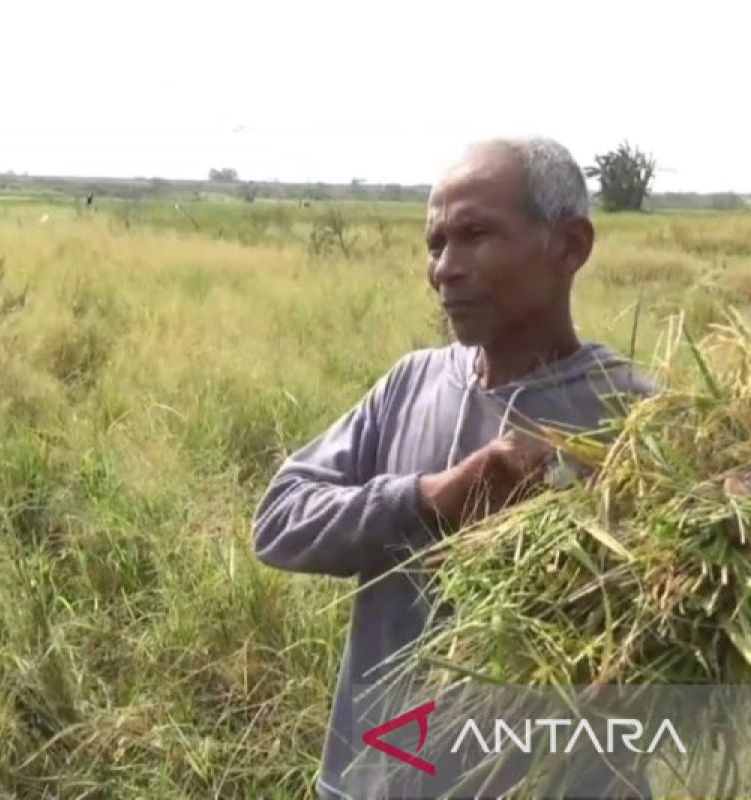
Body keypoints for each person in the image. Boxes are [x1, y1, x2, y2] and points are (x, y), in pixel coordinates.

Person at [251, 138, 654, 799]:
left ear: (570, 246)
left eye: (474, 235)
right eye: (435, 244)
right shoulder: (410, 385)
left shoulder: (638, 420)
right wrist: (430, 499)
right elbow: (279, 521)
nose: (445, 268)